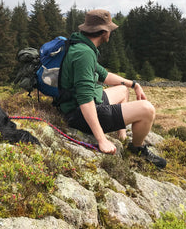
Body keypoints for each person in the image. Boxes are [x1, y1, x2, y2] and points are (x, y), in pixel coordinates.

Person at [59, 9, 167, 168]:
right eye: (110, 30)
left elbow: (104, 75)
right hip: (78, 115)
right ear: (103, 32)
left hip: (83, 103)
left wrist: (133, 84)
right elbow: (85, 100)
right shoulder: (84, 54)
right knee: (147, 109)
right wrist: (102, 140)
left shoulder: (81, 45)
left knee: (123, 90)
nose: (111, 33)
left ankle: (122, 137)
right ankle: (137, 148)